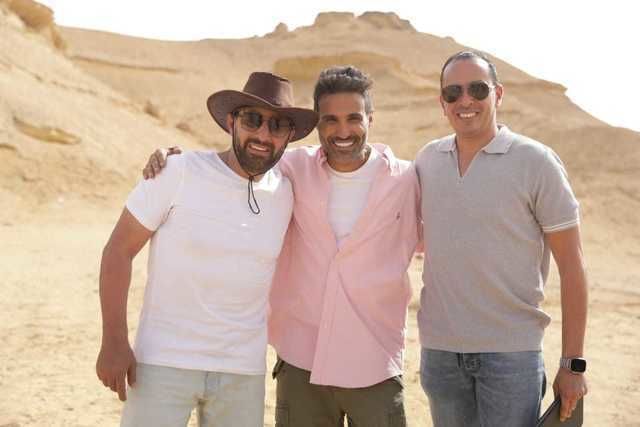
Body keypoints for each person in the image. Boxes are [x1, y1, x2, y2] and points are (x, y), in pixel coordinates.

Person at [144, 66, 422, 426]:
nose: (342, 131)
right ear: (317, 124)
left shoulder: (407, 179)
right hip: (302, 364)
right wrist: (171, 159)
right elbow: (237, 164)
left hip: (374, 364)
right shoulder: (291, 168)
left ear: (370, 118)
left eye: (353, 118)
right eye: (330, 120)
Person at [96, 72, 318, 427]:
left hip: (243, 371)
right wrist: (114, 341)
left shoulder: (288, 192)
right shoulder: (177, 172)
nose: (263, 135)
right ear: (231, 122)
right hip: (164, 362)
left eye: (277, 125)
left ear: (289, 136)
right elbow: (118, 251)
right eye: (252, 119)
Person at [415, 51, 589, 427]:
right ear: (442, 102)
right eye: (453, 92)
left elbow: (573, 266)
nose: (465, 101)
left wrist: (572, 364)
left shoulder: (536, 162)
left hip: (511, 357)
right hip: (441, 356)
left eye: (477, 89)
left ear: (498, 93)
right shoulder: (427, 161)